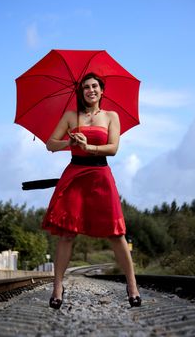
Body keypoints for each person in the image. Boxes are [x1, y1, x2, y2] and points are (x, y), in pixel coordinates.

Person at [42, 72, 141, 309]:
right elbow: (50, 144)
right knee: (66, 234)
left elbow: (113, 148)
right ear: (81, 92)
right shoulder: (70, 116)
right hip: (75, 175)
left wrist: (90, 146)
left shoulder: (111, 116)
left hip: (100, 176)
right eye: (86, 87)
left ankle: (132, 286)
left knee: (116, 234)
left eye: (94, 86)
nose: (90, 90)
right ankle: (58, 287)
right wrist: (70, 143)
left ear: (101, 90)